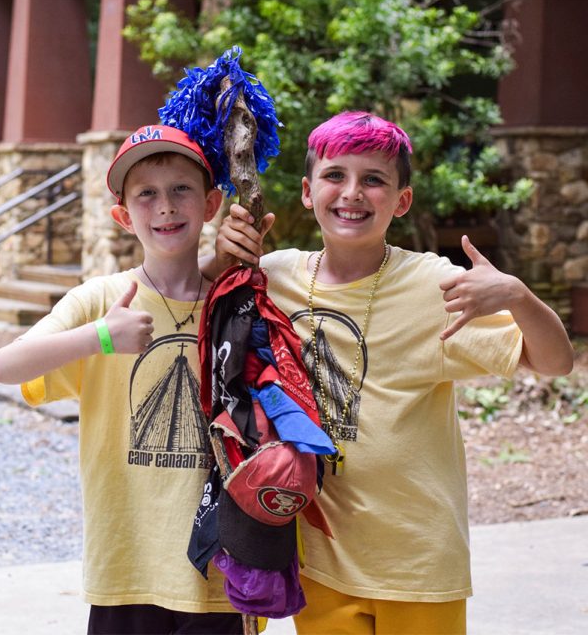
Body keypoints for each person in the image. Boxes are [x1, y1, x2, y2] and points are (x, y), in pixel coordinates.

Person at [210, 110, 574, 634]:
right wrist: (219, 256)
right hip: (321, 561)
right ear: (309, 192)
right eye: (336, 176)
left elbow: (555, 362)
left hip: (417, 562)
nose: (352, 192)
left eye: (374, 179)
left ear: (401, 201)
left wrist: (517, 296)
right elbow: (204, 314)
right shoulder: (274, 277)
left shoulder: (436, 286)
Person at [0, 125, 250, 635]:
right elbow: (5, 365)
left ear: (212, 202)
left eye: (181, 189)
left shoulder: (235, 300)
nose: (166, 206)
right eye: (146, 194)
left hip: (221, 569)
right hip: (126, 567)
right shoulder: (100, 299)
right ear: (123, 216)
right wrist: (101, 338)